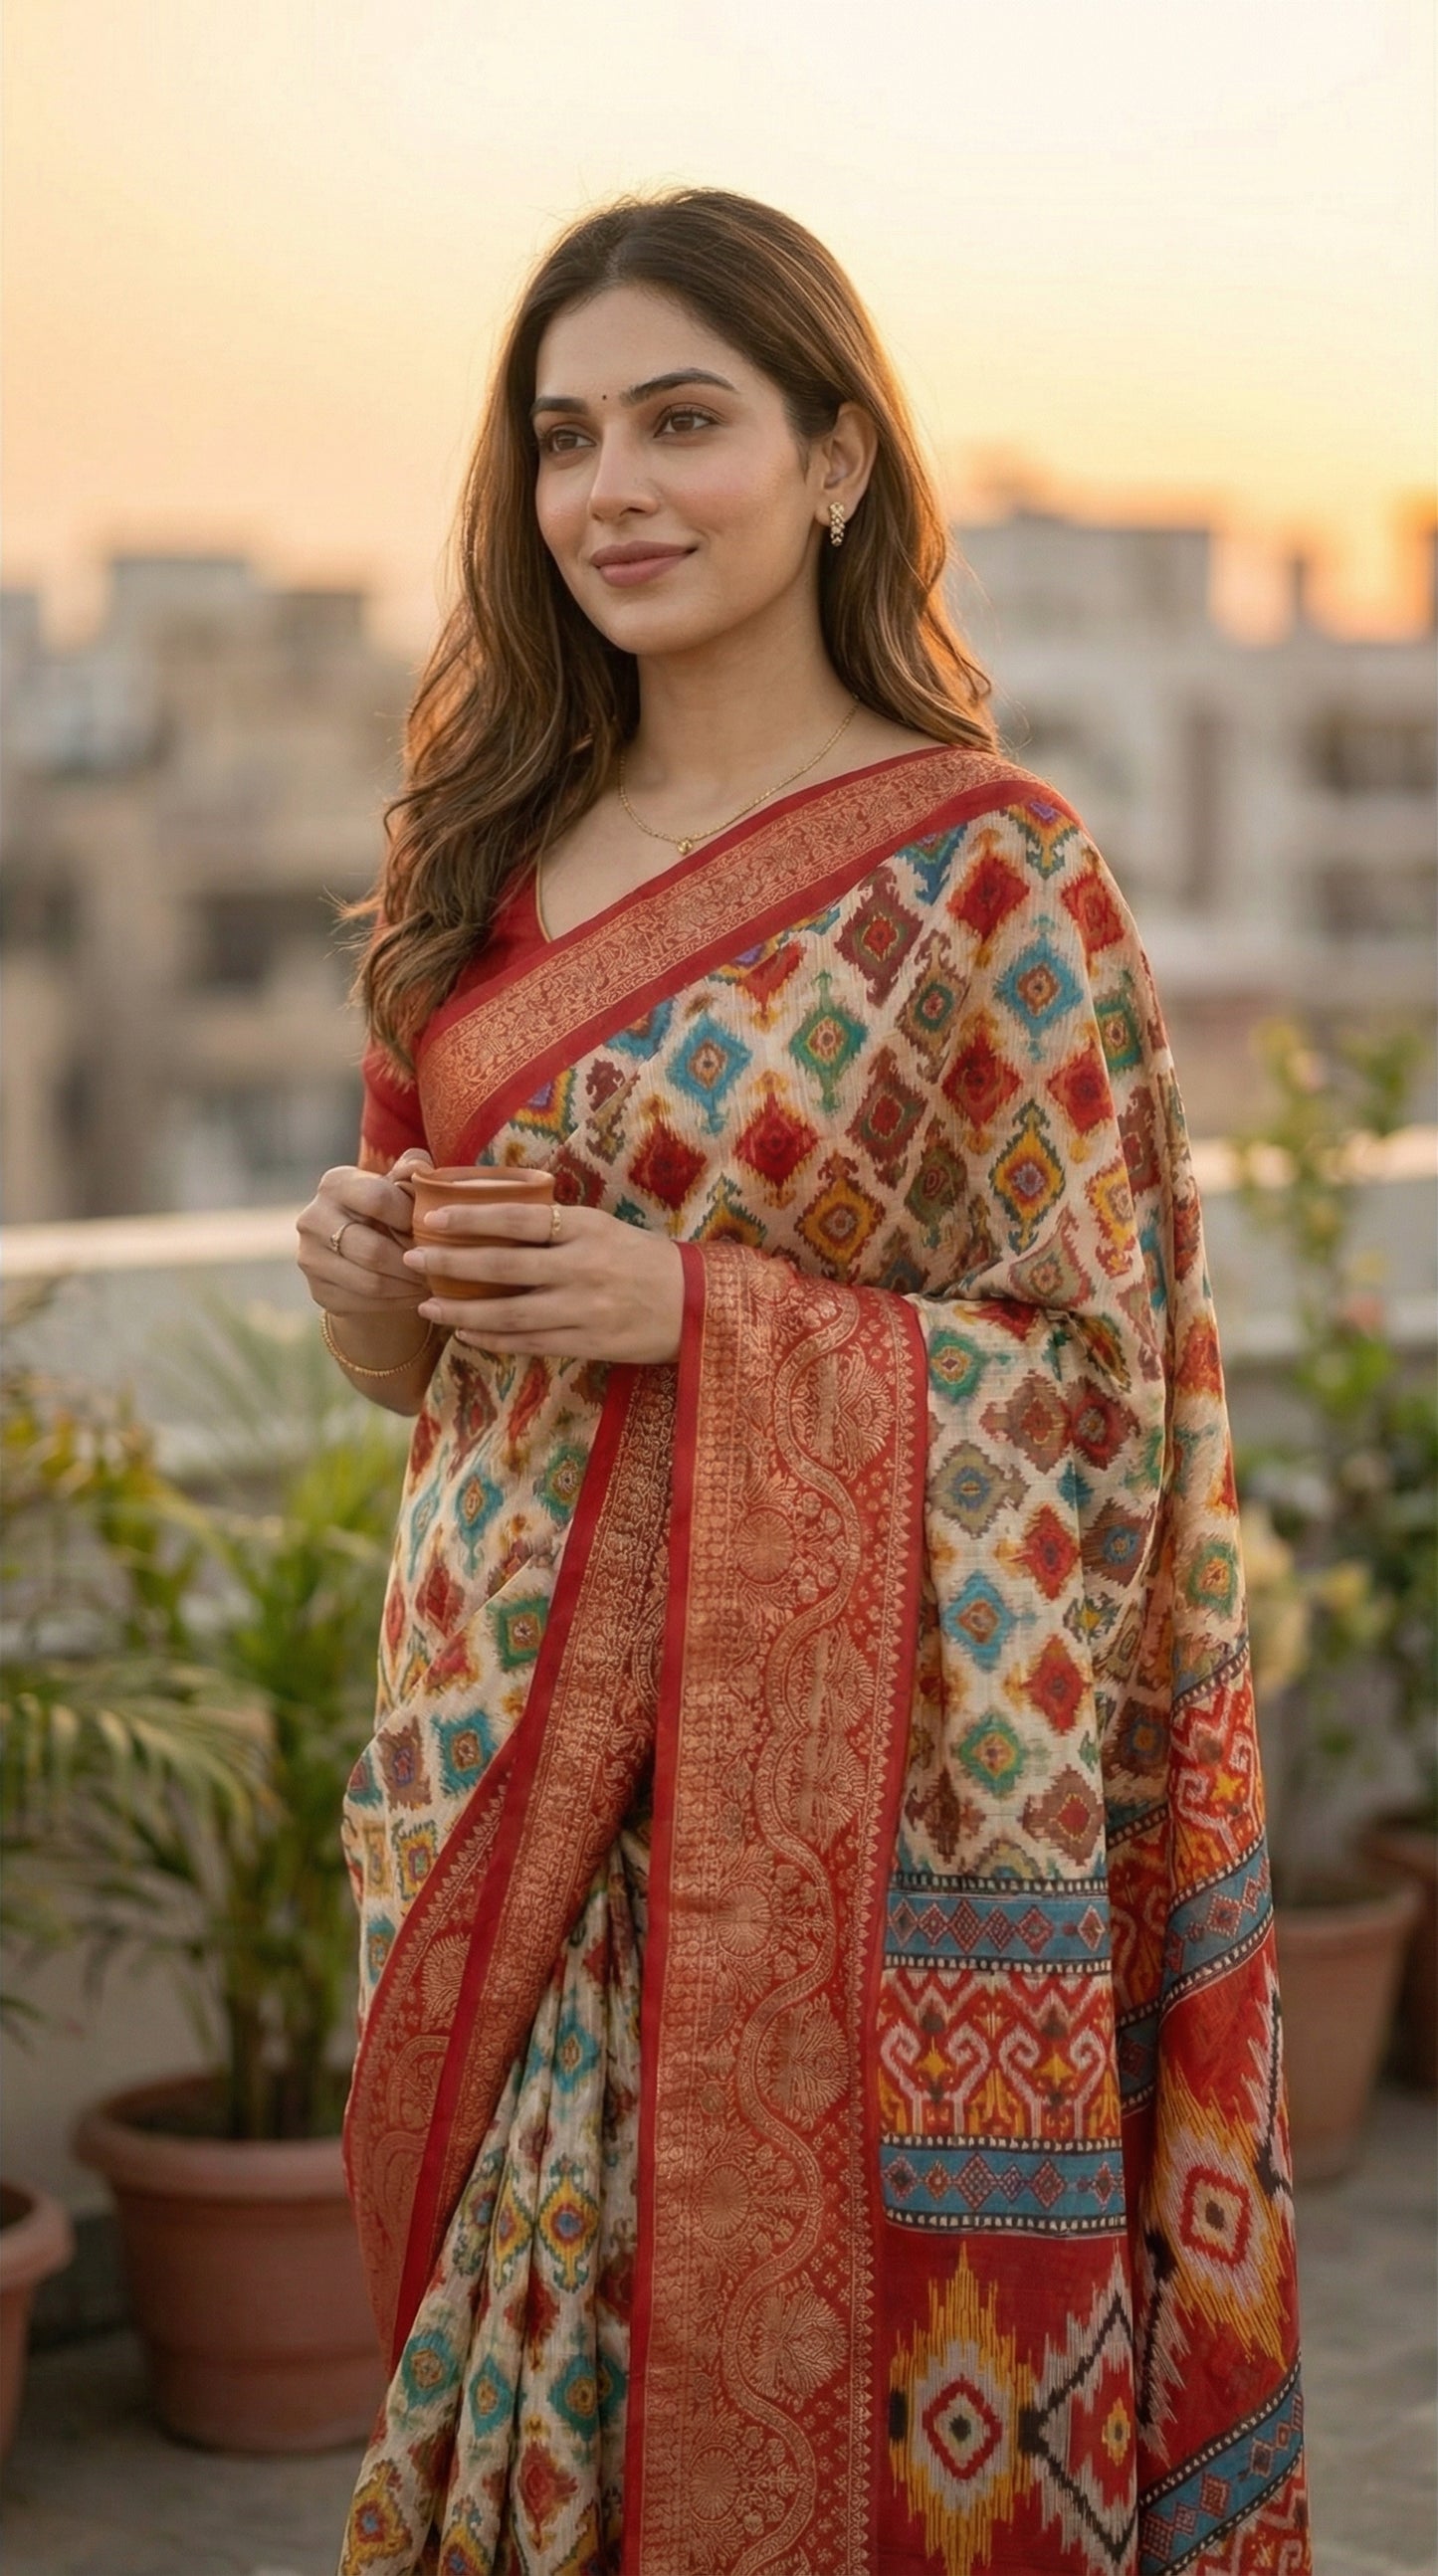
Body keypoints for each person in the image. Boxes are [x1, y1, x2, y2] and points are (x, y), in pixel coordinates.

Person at [296, 188, 1310, 2576]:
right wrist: (374, 1287)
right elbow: (418, 1373)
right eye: (563, 437)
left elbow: (1101, 1396)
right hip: (493, 1748)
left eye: (684, 420)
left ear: (838, 458)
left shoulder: (995, 877)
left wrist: (706, 1318)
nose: (611, 488)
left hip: (861, 1828)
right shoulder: (481, 855)